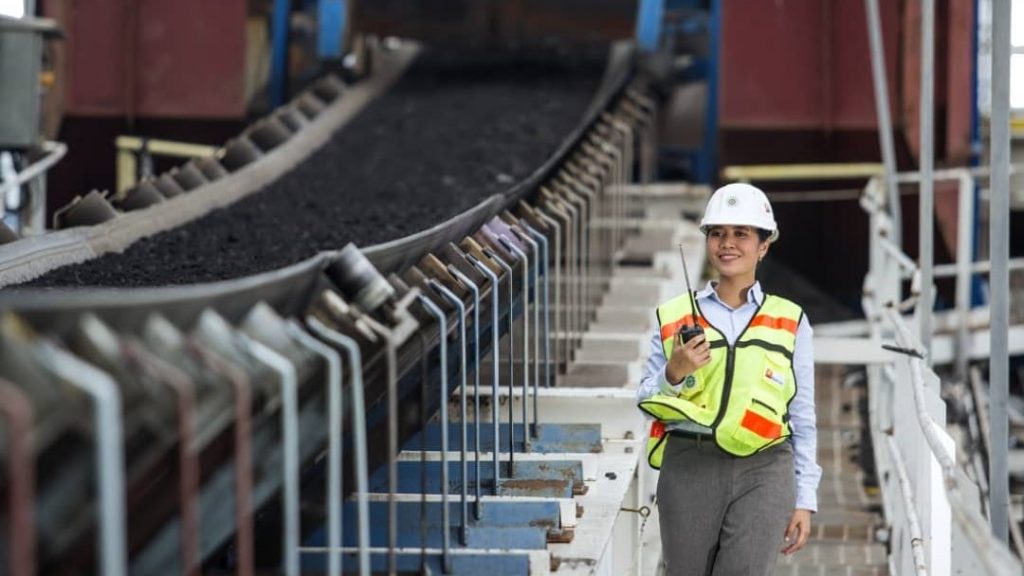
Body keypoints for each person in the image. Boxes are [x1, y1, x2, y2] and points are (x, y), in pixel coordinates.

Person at [636, 183, 821, 576]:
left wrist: (805, 498)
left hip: (765, 468)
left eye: (741, 233)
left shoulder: (791, 319)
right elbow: (644, 395)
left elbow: (801, 417)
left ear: (763, 245)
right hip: (689, 466)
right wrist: (674, 372)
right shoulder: (674, 315)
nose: (727, 243)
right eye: (718, 233)